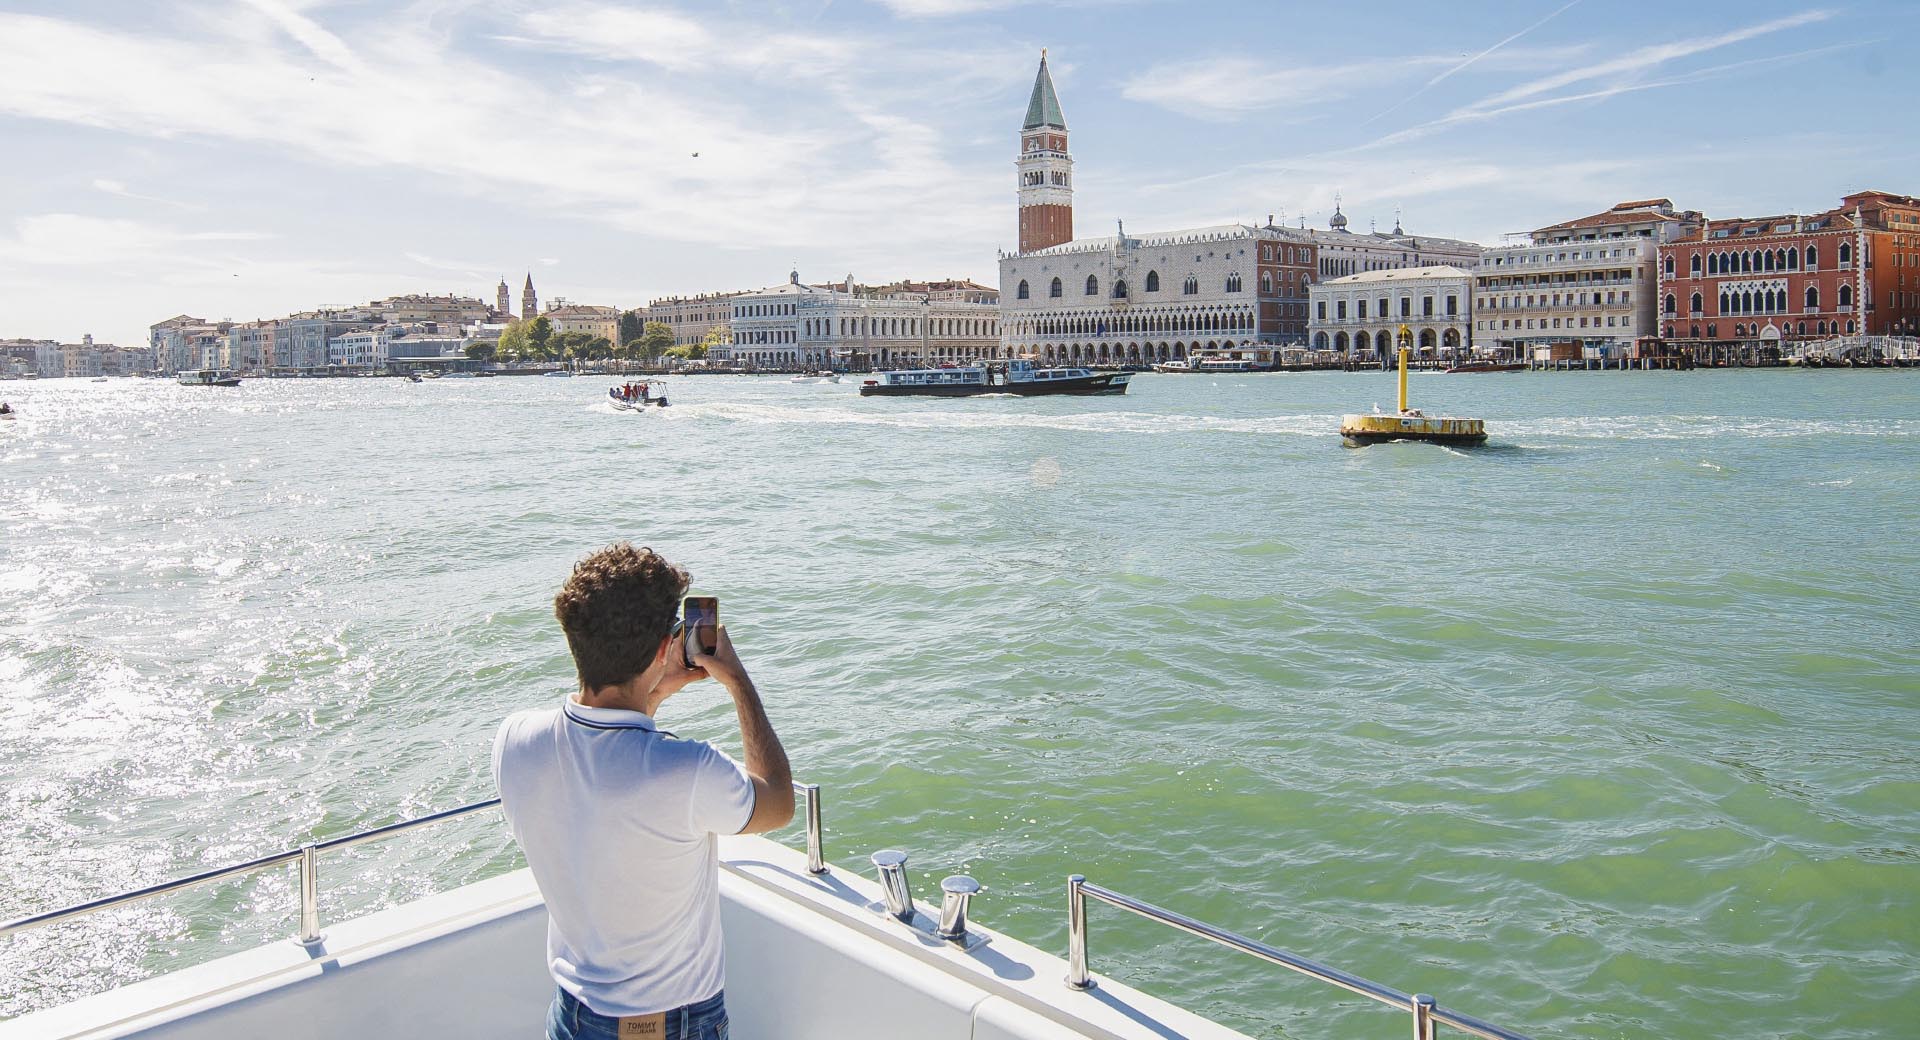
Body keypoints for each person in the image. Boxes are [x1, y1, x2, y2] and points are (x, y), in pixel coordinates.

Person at [493, 543, 793, 1040]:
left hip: (572, 1016)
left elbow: (610, 757)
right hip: (666, 1026)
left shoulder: (515, 740)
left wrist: (652, 691)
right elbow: (778, 801)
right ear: (661, 649)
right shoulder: (687, 770)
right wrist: (736, 679)